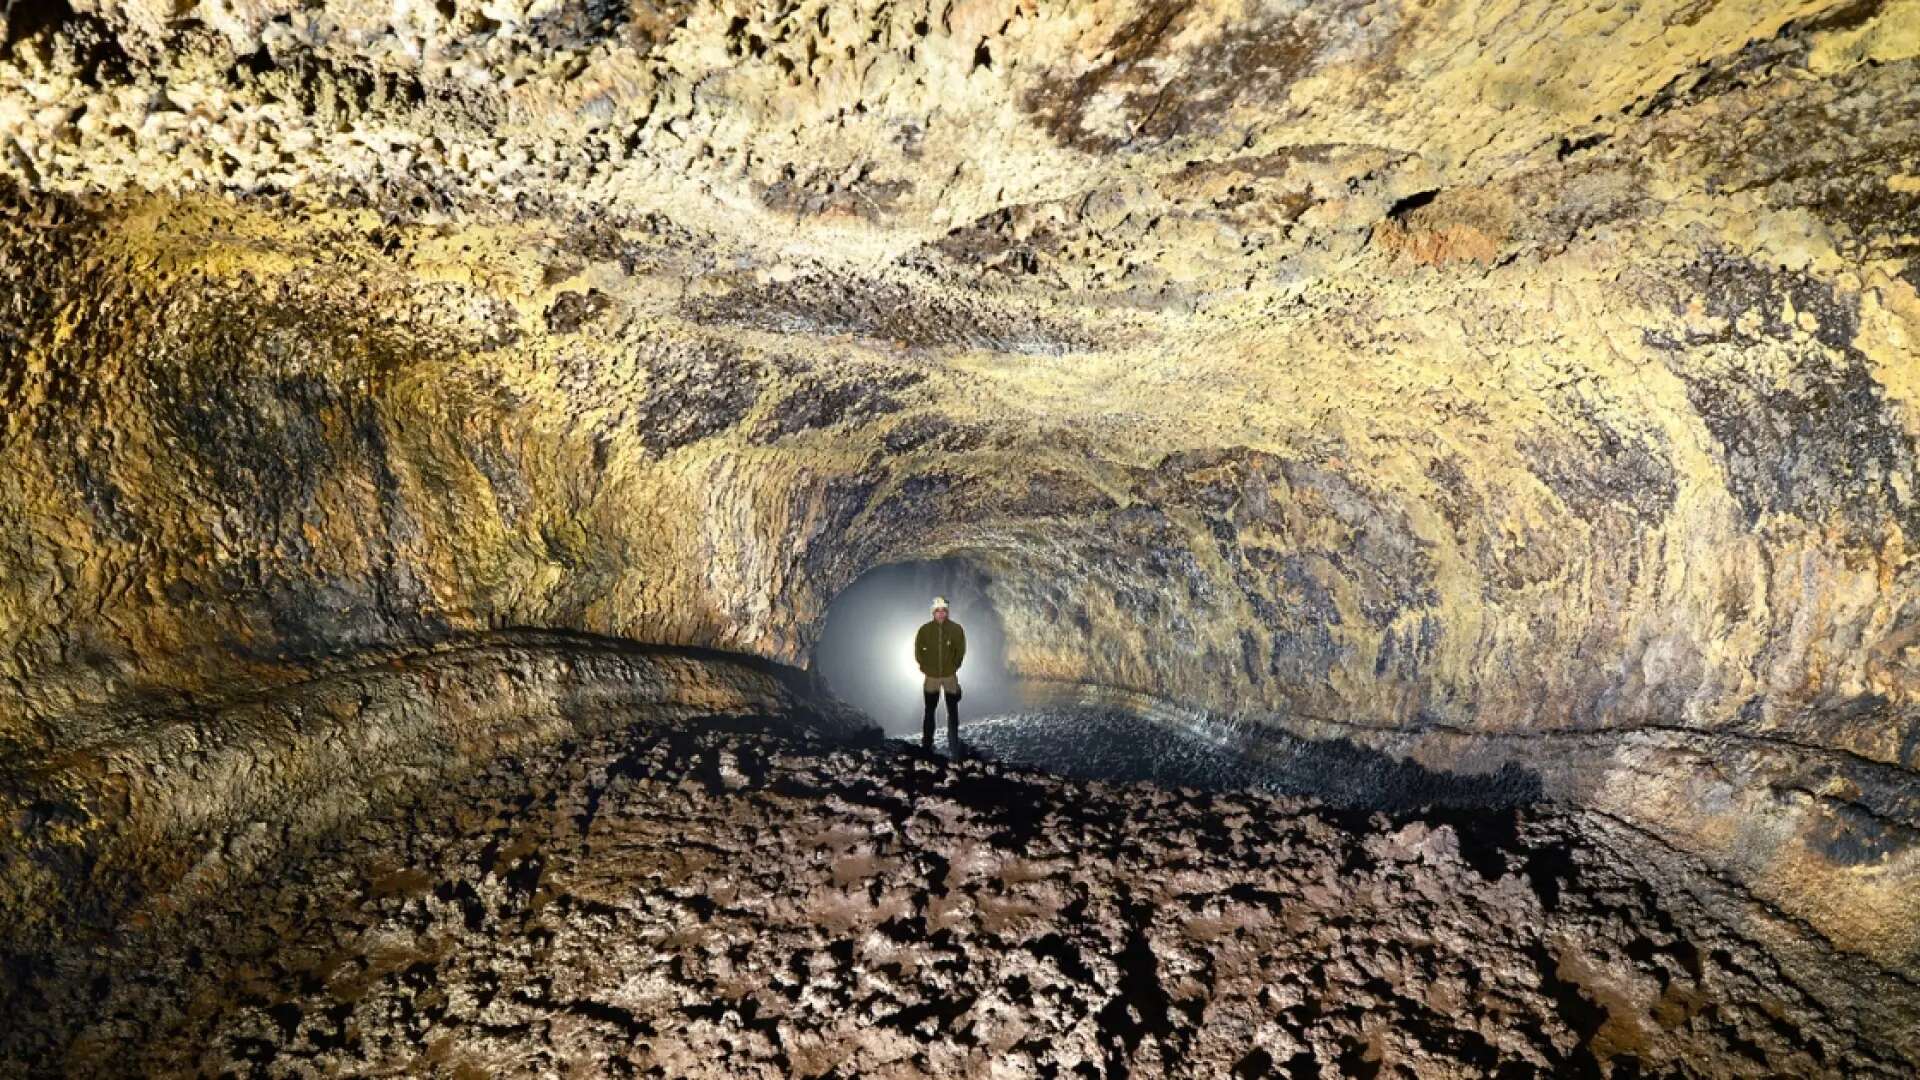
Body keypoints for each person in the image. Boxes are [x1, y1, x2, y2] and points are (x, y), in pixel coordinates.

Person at [915, 596, 966, 753]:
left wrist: (954, 666)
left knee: (952, 709)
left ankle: (953, 742)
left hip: (949, 676)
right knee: (929, 710)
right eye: (938, 610)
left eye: (943, 610)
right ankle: (927, 744)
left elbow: (961, 650)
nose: (941, 613)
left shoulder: (956, 629)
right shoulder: (924, 630)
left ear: (947, 611)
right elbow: (918, 650)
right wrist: (924, 666)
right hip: (931, 677)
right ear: (933, 612)